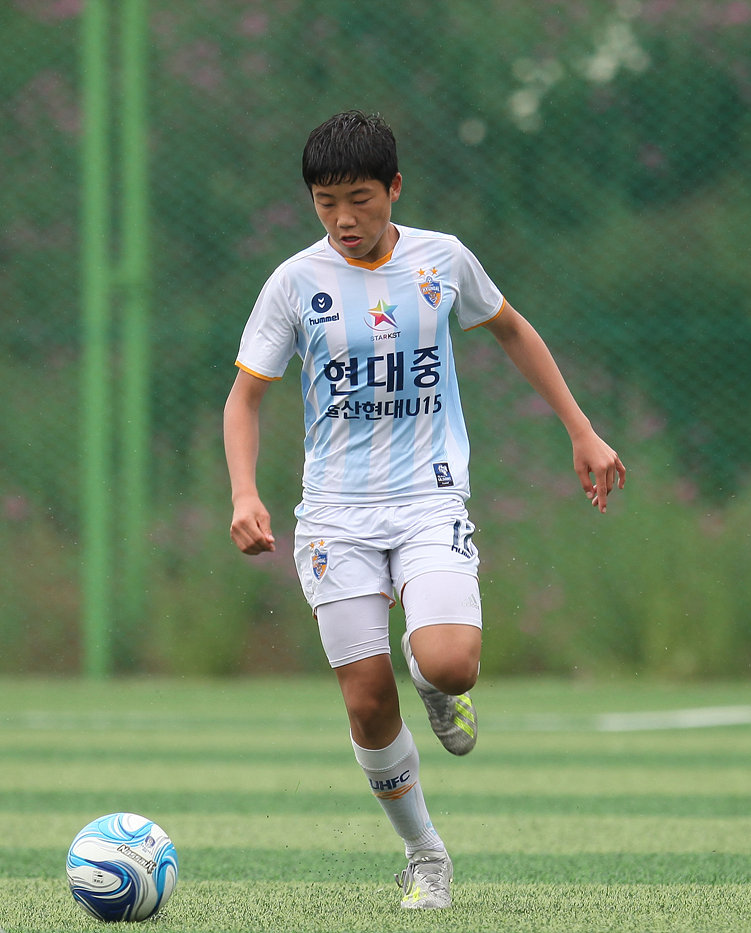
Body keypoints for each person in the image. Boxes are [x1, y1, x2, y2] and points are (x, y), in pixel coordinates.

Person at [223, 110, 625, 909]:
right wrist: (244, 491)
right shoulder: (294, 283)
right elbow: (244, 398)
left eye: (360, 199)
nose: (344, 218)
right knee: (366, 699)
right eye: (326, 202)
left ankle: (436, 683)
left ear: (395, 189)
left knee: (449, 663)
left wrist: (581, 429)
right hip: (334, 518)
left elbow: (511, 330)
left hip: (428, 498)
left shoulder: (443, 260)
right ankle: (425, 854)